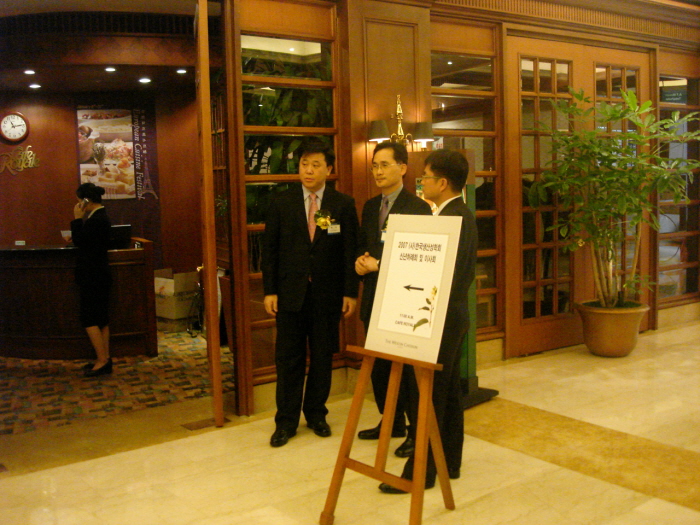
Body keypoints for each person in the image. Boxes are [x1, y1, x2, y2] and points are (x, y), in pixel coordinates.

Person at [379, 149, 477, 493]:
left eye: (425, 178)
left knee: (429, 396)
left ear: (443, 182)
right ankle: (449, 461)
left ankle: (419, 473)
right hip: (450, 316)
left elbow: (443, 277)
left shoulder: (452, 219)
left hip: (439, 318)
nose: (421, 184)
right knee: (447, 394)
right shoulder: (457, 213)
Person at [261, 141, 359, 447]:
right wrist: (269, 290)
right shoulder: (282, 202)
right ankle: (285, 421)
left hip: (327, 296)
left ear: (328, 169)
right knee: (288, 359)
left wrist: (350, 292)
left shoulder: (341, 204)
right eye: (304, 164)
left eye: (316, 165)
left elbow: (349, 251)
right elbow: (269, 250)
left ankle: (316, 414)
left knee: (322, 357)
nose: (309, 170)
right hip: (289, 295)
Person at [355, 141, 432, 457]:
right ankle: (391, 420)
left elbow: (418, 259)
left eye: (384, 165)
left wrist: (380, 264)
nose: (378, 171)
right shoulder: (370, 206)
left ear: (402, 168)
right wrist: (361, 262)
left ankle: (415, 429)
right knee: (380, 367)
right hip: (374, 296)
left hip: (404, 301)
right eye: (374, 165)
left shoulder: (418, 208)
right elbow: (366, 245)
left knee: (407, 370)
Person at [71, 182, 113, 378]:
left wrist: (77, 220)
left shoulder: (96, 220)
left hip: (92, 275)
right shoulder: (100, 217)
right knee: (101, 319)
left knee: (89, 318)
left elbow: (81, 242)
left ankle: (102, 360)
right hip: (100, 274)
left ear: (86, 201)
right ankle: (104, 358)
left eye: (79, 201)